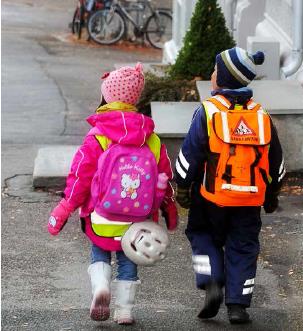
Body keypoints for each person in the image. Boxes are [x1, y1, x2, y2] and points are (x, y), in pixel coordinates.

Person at [47, 63, 177, 324]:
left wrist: (64, 208)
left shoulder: (98, 136)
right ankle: (125, 310)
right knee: (129, 259)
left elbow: (80, 177)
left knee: (100, 251)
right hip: (139, 218)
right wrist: (170, 210)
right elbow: (165, 177)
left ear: (107, 96)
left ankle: (100, 287)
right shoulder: (151, 138)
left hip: (101, 214)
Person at [175, 47, 285, 324]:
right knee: (243, 246)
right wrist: (272, 194)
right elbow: (276, 161)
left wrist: (184, 187)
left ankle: (211, 281)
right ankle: (238, 305)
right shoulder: (261, 116)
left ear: (220, 79)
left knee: (201, 235)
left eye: (215, 71)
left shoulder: (208, 112)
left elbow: (190, 153)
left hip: (210, 197)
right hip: (250, 201)